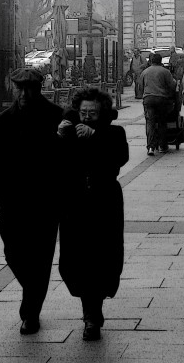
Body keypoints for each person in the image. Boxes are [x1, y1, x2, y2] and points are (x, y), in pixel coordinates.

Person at [0, 68, 63, 334]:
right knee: (14, 252)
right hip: (12, 200)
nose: (23, 93)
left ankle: (30, 313)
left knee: (41, 258)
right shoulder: (5, 120)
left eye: (29, 88)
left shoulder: (56, 116)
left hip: (45, 201)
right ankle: (31, 293)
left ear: (39, 88)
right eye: (19, 88)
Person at [57, 87, 129, 341]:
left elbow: (120, 157)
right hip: (74, 204)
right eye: (83, 112)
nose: (87, 117)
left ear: (102, 113)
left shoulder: (114, 133)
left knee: (102, 259)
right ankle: (91, 313)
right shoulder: (69, 132)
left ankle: (92, 316)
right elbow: (55, 162)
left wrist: (95, 137)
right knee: (75, 260)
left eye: (93, 113)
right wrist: (60, 136)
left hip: (104, 204)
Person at [140, 52, 177, 155]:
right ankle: (162, 146)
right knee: (162, 122)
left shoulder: (145, 72)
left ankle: (151, 147)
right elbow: (172, 85)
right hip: (161, 99)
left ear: (151, 61)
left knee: (150, 123)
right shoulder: (165, 72)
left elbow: (140, 86)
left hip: (148, 99)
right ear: (160, 61)